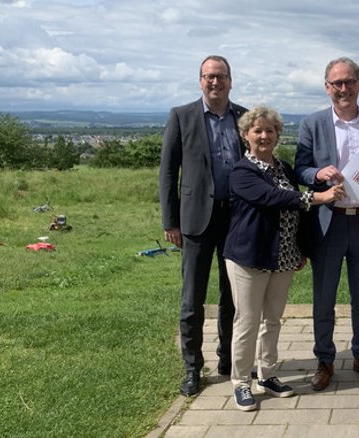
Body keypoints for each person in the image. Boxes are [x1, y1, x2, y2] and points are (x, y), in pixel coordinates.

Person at [224, 106, 346, 411]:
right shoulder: (242, 171)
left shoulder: (285, 168)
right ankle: (241, 382)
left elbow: (297, 214)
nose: (264, 136)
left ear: (278, 134)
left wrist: (301, 248)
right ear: (246, 135)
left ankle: (267, 375)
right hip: (248, 257)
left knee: (273, 320)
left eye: (270, 130)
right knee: (248, 321)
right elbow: (273, 198)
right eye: (257, 131)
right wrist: (318, 197)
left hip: (283, 257)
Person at [294, 57, 359, 390]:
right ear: (327, 88)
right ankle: (325, 360)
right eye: (336, 84)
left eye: (349, 82)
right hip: (327, 223)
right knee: (324, 297)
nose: (343, 89)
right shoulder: (312, 123)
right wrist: (317, 173)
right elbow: (299, 169)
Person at [159, 55, 246, 396]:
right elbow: (168, 172)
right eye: (209, 76)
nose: (215, 82)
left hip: (236, 219)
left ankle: (228, 360)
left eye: (221, 76)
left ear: (230, 81)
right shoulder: (181, 116)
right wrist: (171, 221)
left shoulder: (243, 116)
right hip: (195, 219)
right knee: (192, 298)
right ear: (200, 81)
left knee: (234, 296)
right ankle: (193, 368)